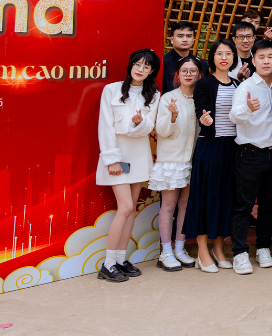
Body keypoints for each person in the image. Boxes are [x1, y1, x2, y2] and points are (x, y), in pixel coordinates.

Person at [96, 49, 160, 282]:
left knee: (131, 209)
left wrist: (139, 123)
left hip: (139, 155)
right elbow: (105, 126)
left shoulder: (154, 95)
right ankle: (108, 264)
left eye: (146, 67)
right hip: (118, 155)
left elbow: (149, 127)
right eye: (137, 64)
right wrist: (111, 159)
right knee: (124, 207)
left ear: (151, 71)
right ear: (131, 65)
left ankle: (120, 260)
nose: (140, 69)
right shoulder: (111, 90)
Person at [184, 40, 239, 272]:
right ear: (212, 57)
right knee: (206, 197)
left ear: (234, 57)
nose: (224, 57)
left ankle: (218, 248)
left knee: (226, 198)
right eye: (219, 53)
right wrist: (205, 120)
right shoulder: (204, 83)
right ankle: (202, 251)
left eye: (228, 53)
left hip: (232, 147)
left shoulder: (238, 84)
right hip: (210, 147)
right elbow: (201, 111)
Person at [229, 39, 272, 275]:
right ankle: (239, 252)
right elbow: (234, 117)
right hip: (249, 153)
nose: (266, 61)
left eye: (270, 56)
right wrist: (248, 108)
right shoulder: (246, 87)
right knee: (244, 205)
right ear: (254, 60)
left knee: (268, 205)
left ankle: (263, 247)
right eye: (261, 57)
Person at [151, 56, 202, 271]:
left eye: (193, 70)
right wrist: (172, 116)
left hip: (192, 160)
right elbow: (161, 131)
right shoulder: (168, 98)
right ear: (177, 74)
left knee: (185, 205)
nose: (188, 74)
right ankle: (166, 251)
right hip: (172, 161)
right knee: (169, 205)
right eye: (184, 71)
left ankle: (180, 249)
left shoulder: (201, 98)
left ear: (199, 74)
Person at [162, 21, 203, 94]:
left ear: (193, 40)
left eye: (189, 36)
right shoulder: (162, 63)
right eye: (180, 36)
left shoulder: (201, 64)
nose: (185, 39)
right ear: (172, 40)